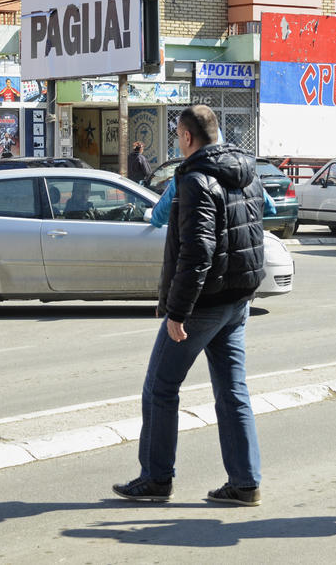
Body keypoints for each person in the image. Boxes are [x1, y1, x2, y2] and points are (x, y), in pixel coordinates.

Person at [113, 105, 267, 506]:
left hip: (204, 302)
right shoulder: (246, 172)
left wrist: (178, 312)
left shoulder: (196, 179)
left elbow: (198, 251)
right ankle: (245, 483)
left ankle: (156, 478)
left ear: (186, 137)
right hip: (237, 299)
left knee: (159, 388)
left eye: (177, 135)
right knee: (233, 391)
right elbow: (254, 230)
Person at [150, 174, 278, 229]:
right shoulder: (246, 172)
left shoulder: (185, 176)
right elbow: (271, 207)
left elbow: (158, 217)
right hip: (244, 269)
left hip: (207, 270)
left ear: (188, 138)